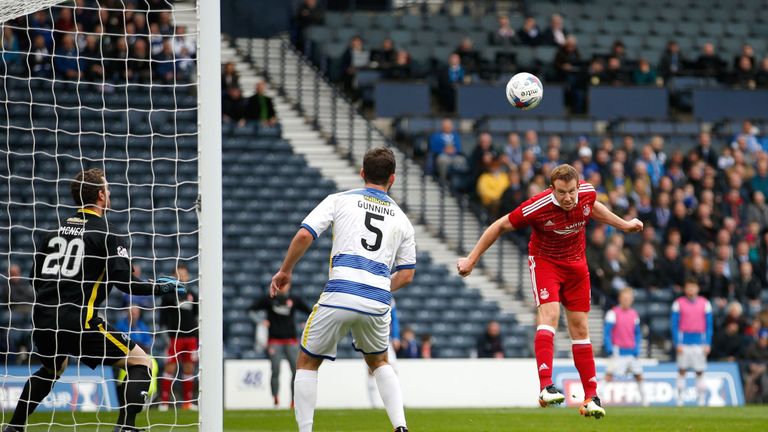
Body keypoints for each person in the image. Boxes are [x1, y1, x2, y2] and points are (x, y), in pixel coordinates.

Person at [1, 169, 185, 432]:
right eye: (107, 190)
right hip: (80, 321)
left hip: (43, 320)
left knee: (52, 369)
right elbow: (125, 282)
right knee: (141, 362)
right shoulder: (107, 232)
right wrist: (160, 288)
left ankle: (14, 427)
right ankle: (126, 428)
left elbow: (35, 279)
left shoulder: (52, 233)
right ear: (100, 195)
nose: (110, 193)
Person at [457, 164, 643, 419]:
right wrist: (471, 259)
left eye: (571, 192)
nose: (567, 198)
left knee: (580, 328)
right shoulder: (537, 206)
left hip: (577, 265)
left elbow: (593, 207)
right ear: (551, 189)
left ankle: (591, 397)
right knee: (551, 314)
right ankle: (546, 386)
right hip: (546, 263)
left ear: (578, 187)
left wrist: (623, 225)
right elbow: (500, 225)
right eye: (561, 192)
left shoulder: (587, 193)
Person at [270, 147, 415, 432]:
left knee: (307, 362)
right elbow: (407, 274)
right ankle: (400, 427)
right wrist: (380, 286)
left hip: (340, 292)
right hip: (377, 299)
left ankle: (305, 430)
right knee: (380, 361)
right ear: (393, 179)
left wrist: (286, 270)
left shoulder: (339, 200)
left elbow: (304, 235)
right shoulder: (402, 219)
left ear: (362, 173)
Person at [249, 283, 312, 408]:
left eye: (285, 285)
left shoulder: (294, 299)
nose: (283, 287)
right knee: (276, 370)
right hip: (274, 341)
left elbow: (311, 311)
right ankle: (275, 397)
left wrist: (307, 323)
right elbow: (251, 310)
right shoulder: (269, 299)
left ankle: (294, 400)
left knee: (296, 371)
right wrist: (260, 321)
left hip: (291, 341)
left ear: (289, 286)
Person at [158, 265, 199, 411]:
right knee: (170, 367)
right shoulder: (168, 295)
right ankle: (164, 402)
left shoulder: (193, 294)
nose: (182, 277)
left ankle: (187, 403)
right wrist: (165, 338)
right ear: (174, 278)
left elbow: (196, 316)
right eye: (179, 275)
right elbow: (162, 319)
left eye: (184, 275)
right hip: (174, 337)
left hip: (191, 338)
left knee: (189, 368)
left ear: (188, 277)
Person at [671, 280, 713, 407]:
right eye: (688, 287)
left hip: (699, 342)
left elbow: (709, 325)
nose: (691, 290)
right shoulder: (678, 304)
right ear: (685, 289)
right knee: (682, 370)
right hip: (684, 342)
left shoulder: (705, 303)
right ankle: (679, 399)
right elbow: (674, 325)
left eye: (693, 287)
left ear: (697, 288)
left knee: (699, 371)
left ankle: (701, 399)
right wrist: (677, 342)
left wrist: (708, 343)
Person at [603, 288, 647, 406]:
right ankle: (597, 398)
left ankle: (645, 401)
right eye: (624, 298)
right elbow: (607, 332)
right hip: (618, 351)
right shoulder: (613, 313)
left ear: (632, 299)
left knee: (639, 375)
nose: (627, 300)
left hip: (631, 351)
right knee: (609, 375)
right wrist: (609, 347)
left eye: (629, 298)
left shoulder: (634, 314)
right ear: (620, 298)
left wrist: (637, 347)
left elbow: (637, 333)